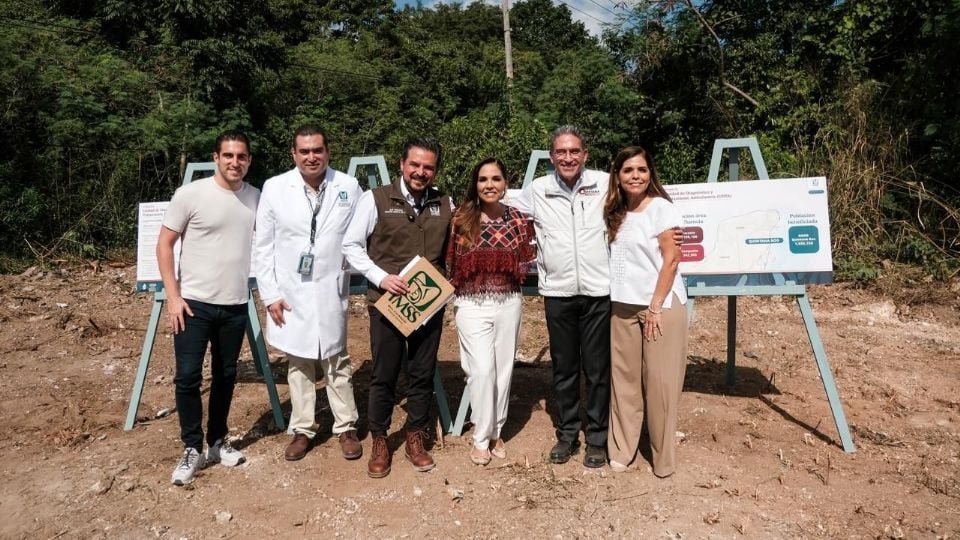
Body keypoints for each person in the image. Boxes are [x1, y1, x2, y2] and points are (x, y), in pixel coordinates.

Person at [343, 137, 453, 478]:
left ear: (436, 170)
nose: (421, 172)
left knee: (421, 374)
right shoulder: (374, 199)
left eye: (428, 167)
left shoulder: (444, 202)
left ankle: (415, 437)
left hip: (427, 304)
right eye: (415, 165)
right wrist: (380, 277)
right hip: (387, 303)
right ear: (402, 164)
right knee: (384, 375)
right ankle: (380, 439)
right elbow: (351, 244)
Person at [253, 125, 363, 462]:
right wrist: (269, 294)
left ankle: (345, 427)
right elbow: (263, 246)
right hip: (291, 291)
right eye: (304, 151)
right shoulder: (274, 188)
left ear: (328, 152)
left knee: (336, 358)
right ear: (294, 154)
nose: (311, 156)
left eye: (317, 150)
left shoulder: (348, 186)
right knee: (298, 362)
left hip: (331, 287)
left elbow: (362, 234)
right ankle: (302, 428)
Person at [157, 130, 260, 486]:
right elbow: (165, 244)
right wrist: (174, 296)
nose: (235, 162)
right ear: (216, 157)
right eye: (228, 156)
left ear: (248, 160)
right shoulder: (191, 194)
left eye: (242, 157)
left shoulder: (255, 198)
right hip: (193, 305)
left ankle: (216, 441)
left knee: (226, 376)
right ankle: (191, 447)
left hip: (234, 304)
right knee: (187, 378)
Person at [510, 126, 613, 468]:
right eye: (561, 152)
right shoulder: (538, 188)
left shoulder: (605, 182)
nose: (568, 158)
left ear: (585, 154)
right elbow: (501, 207)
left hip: (599, 292)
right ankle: (568, 433)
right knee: (564, 369)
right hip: (557, 292)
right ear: (551, 156)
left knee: (598, 370)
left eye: (574, 151)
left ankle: (597, 438)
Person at [603, 145, 688, 477]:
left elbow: (672, 260)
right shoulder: (614, 211)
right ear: (618, 176)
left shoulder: (662, 210)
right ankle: (622, 449)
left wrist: (654, 307)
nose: (635, 176)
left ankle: (663, 458)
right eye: (627, 171)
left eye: (641, 170)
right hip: (621, 306)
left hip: (660, 307)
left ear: (650, 173)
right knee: (623, 383)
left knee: (660, 384)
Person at [446, 158, 535, 465]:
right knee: (481, 371)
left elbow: (530, 256)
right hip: (471, 303)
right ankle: (481, 437)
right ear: (475, 184)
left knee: (503, 372)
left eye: (496, 179)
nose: (489, 185)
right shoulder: (460, 219)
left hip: (508, 301)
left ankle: (496, 431)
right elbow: (450, 263)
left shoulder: (519, 220)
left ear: (505, 183)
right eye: (483, 179)